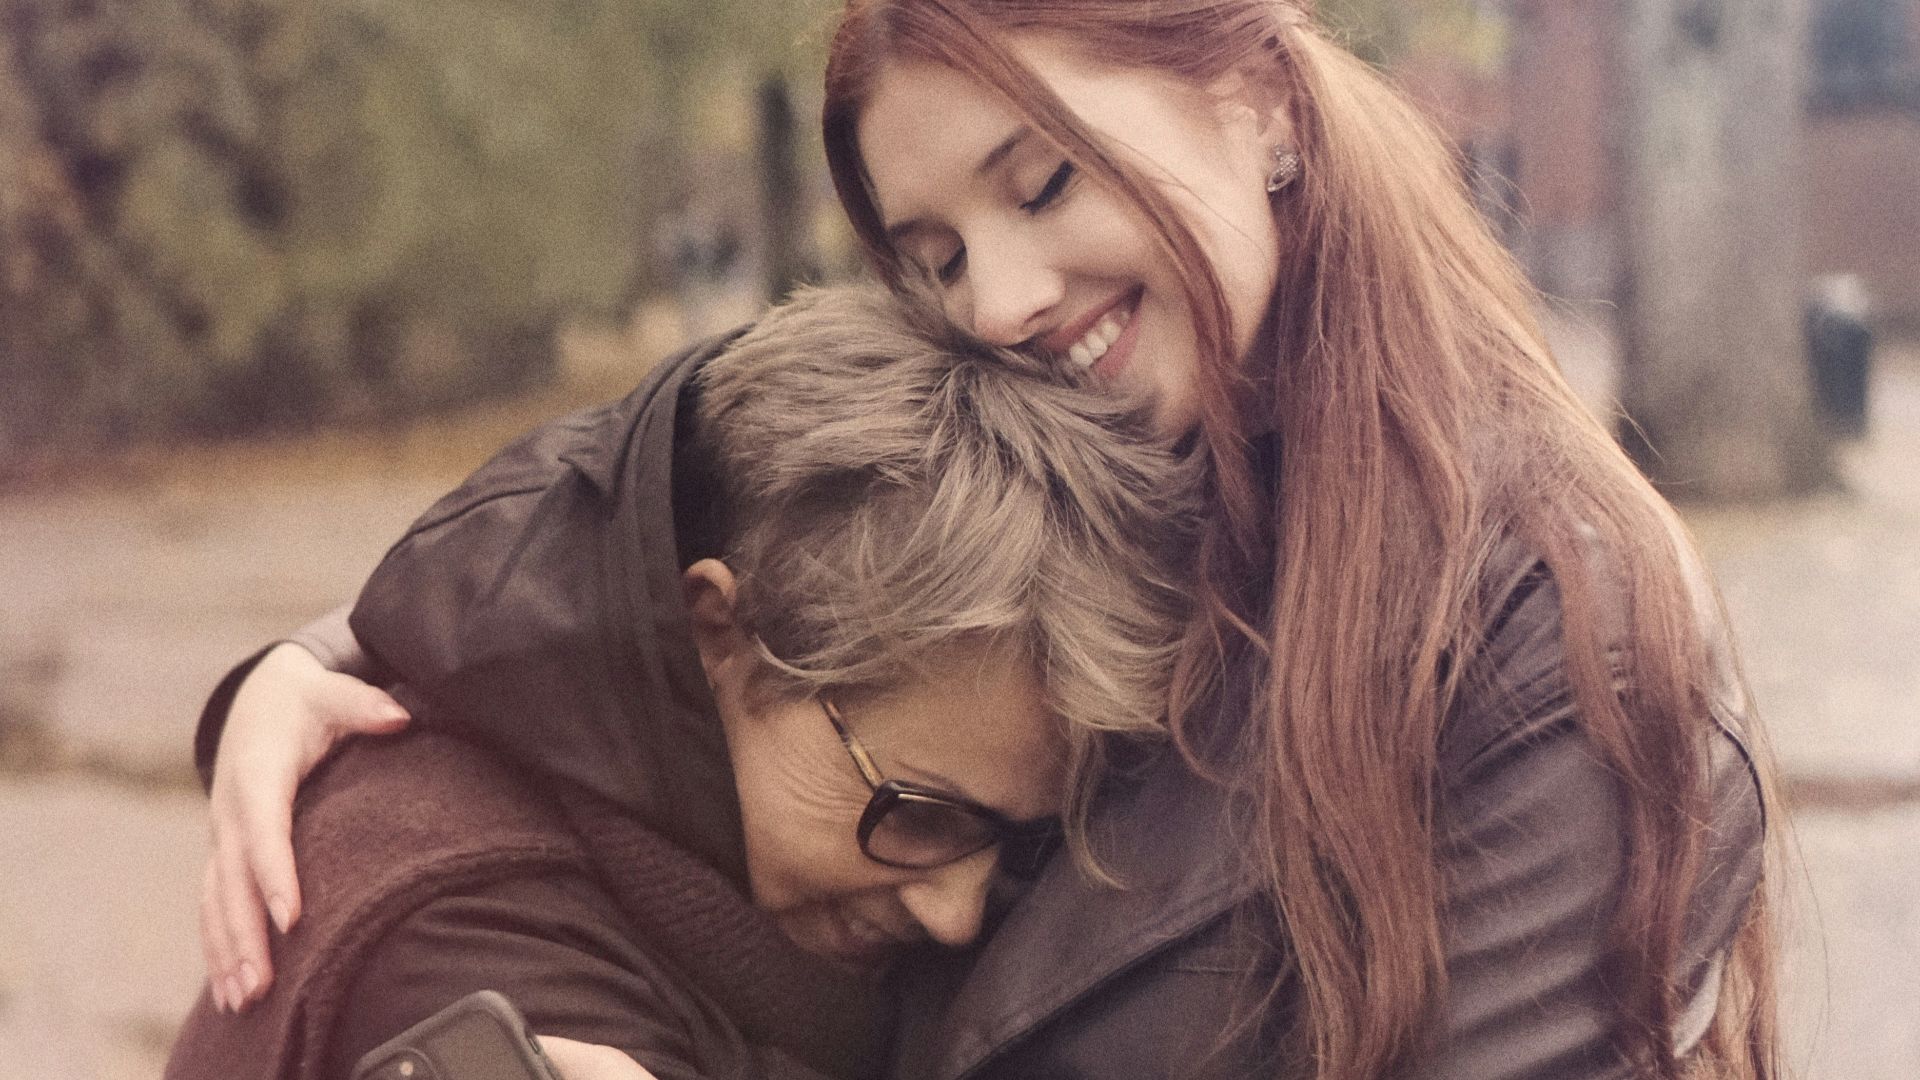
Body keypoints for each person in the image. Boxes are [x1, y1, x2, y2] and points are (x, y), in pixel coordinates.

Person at [197, 2, 1781, 1078]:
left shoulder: (1547, 641)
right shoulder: (1066, 467)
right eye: (935, 252)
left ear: (1259, 98)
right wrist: (327, 672)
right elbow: (635, 529)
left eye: (1045, 181)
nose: (1003, 303)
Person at [168, 283, 1198, 1080]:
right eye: (922, 815)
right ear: (718, 632)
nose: (958, 915)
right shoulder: (468, 951)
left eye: (1015, 841)